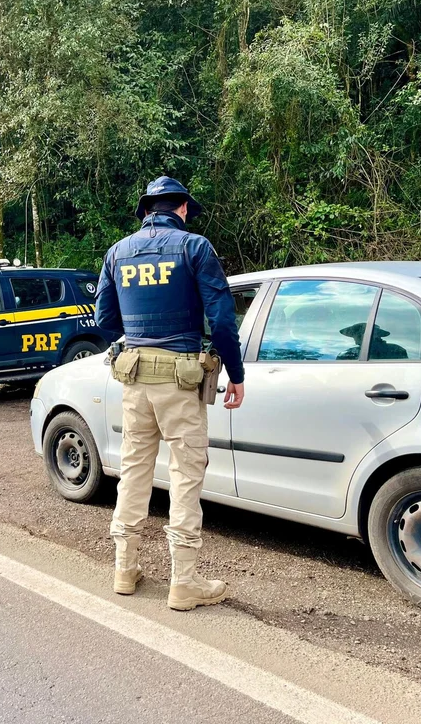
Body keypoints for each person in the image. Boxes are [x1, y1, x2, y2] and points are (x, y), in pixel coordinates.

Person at [95, 176, 245, 611]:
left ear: (146, 210)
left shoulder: (117, 252)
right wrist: (235, 373)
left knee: (134, 470)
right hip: (180, 379)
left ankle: (125, 568)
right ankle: (184, 582)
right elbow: (221, 320)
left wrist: (140, 339)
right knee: (185, 474)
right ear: (181, 208)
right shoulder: (195, 247)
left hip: (135, 377)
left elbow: (105, 318)